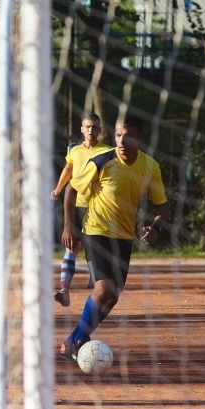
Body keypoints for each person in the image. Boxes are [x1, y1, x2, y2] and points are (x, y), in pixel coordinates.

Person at [60, 114, 169, 361]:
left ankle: (72, 339)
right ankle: (79, 342)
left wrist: (156, 228)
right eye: (118, 135)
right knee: (104, 289)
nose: (121, 140)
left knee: (112, 298)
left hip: (124, 237)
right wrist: (68, 225)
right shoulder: (101, 160)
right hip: (96, 230)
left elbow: (162, 206)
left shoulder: (150, 166)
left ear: (138, 138)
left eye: (127, 135)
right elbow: (72, 189)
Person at [51, 113, 111, 307]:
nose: (91, 130)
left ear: (100, 130)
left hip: (97, 208)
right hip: (75, 206)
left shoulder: (108, 152)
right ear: (82, 129)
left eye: (95, 127)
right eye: (88, 126)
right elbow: (68, 169)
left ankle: (98, 291)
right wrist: (59, 189)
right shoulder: (74, 150)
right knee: (71, 247)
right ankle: (64, 291)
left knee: (94, 250)